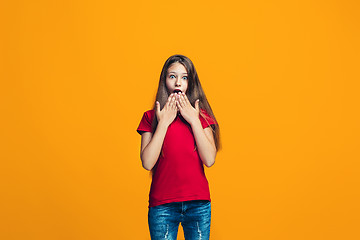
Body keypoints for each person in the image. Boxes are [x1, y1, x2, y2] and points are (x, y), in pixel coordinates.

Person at [136, 54, 220, 240]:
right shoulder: (151, 117)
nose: (178, 83)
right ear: (164, 80)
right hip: (163, 206)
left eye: (184, 77)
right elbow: (147, 162)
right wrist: (164, 123)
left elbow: (210, 160)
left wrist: (193, 120)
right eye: (172, 76)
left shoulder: (202, 116)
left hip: (198, 204)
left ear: (191, 82)